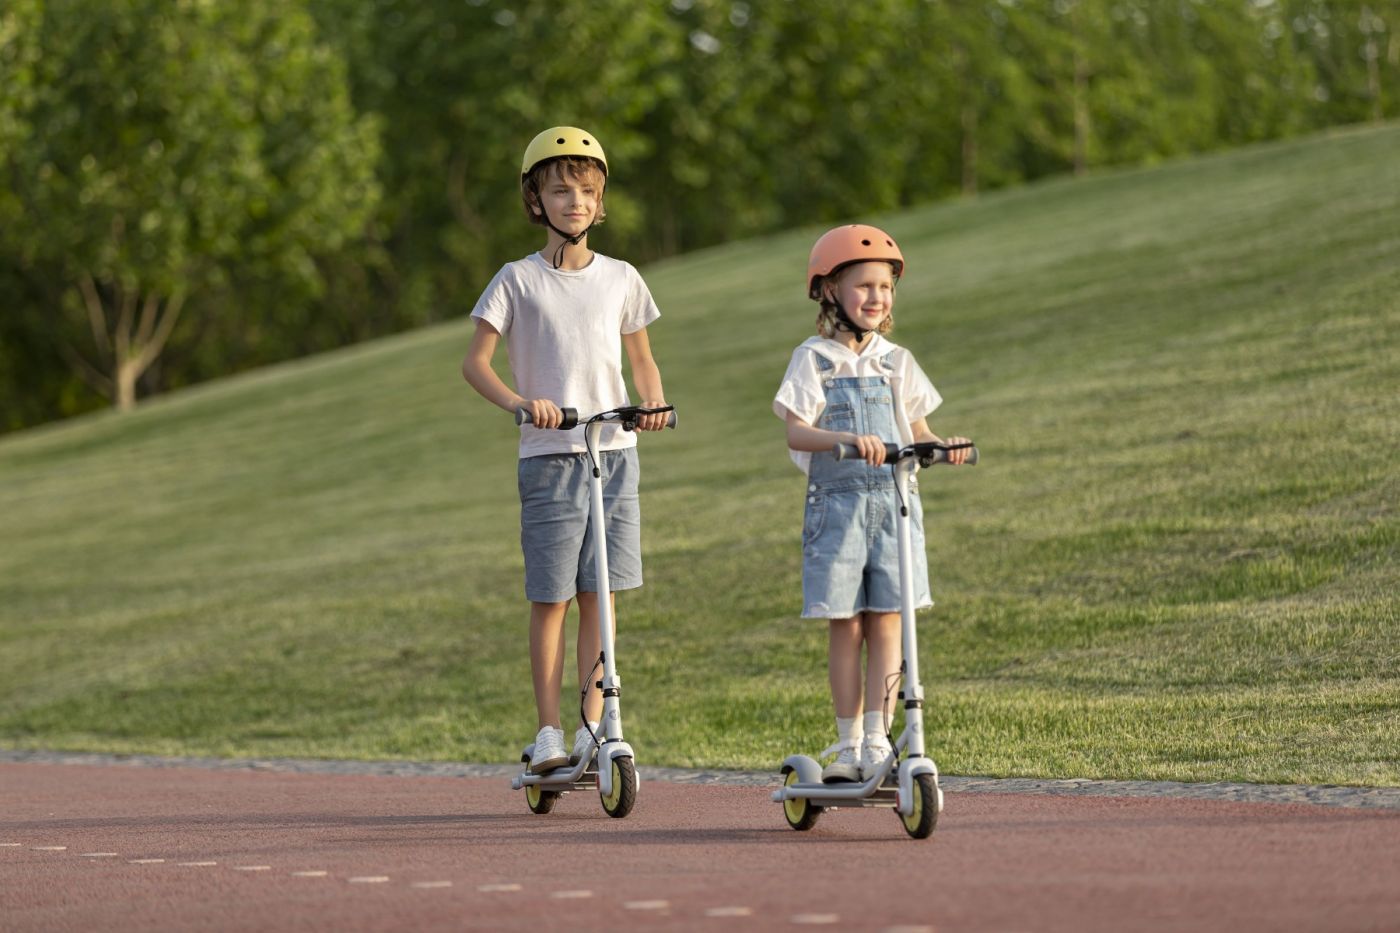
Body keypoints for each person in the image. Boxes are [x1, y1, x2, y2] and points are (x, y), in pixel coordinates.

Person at [462, 126, 669, 773]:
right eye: (560, 189)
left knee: (599, 598)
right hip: (550, 457)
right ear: (536, 200)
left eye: (585, 190)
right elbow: (475, 364)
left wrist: (654, 402)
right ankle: (550, 729)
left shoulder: (621, 278)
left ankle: (598, 723)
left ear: (600, 200)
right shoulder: (516, 281)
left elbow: (643, 360)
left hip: (614, 452)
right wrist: (523, 403)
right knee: (551, 597)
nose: (574, 201)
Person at [773, 224, 971, 782]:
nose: (877, 298)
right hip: (838, 513)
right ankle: (848, 744)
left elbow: (919, 429)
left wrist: (943, 446)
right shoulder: (815, 360)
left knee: (889, 623)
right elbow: (796, 433)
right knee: (847, 624)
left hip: (895, 506)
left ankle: (880, 741)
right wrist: (842, 441)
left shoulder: (895, 361)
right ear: (830, 291)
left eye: (885, 287)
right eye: (864, 286)